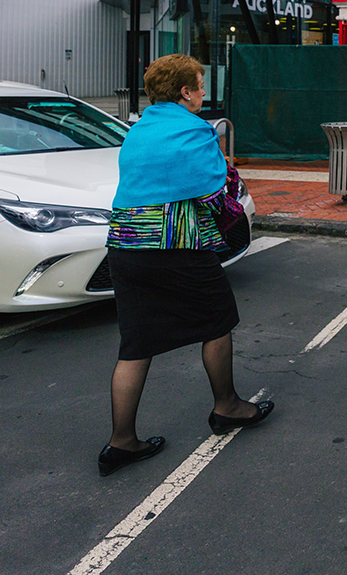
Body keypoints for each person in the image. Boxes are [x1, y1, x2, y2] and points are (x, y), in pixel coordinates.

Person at [98, 54, 273, 477]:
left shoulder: (137, 130)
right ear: (184, 92)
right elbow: (213, 193)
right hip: (175, 246)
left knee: (135, 345)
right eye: (199, 84)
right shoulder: (194, 130)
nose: (203, 91)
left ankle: (120, 442)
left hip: (124, 247)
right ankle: (227, 406)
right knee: (217, 321)